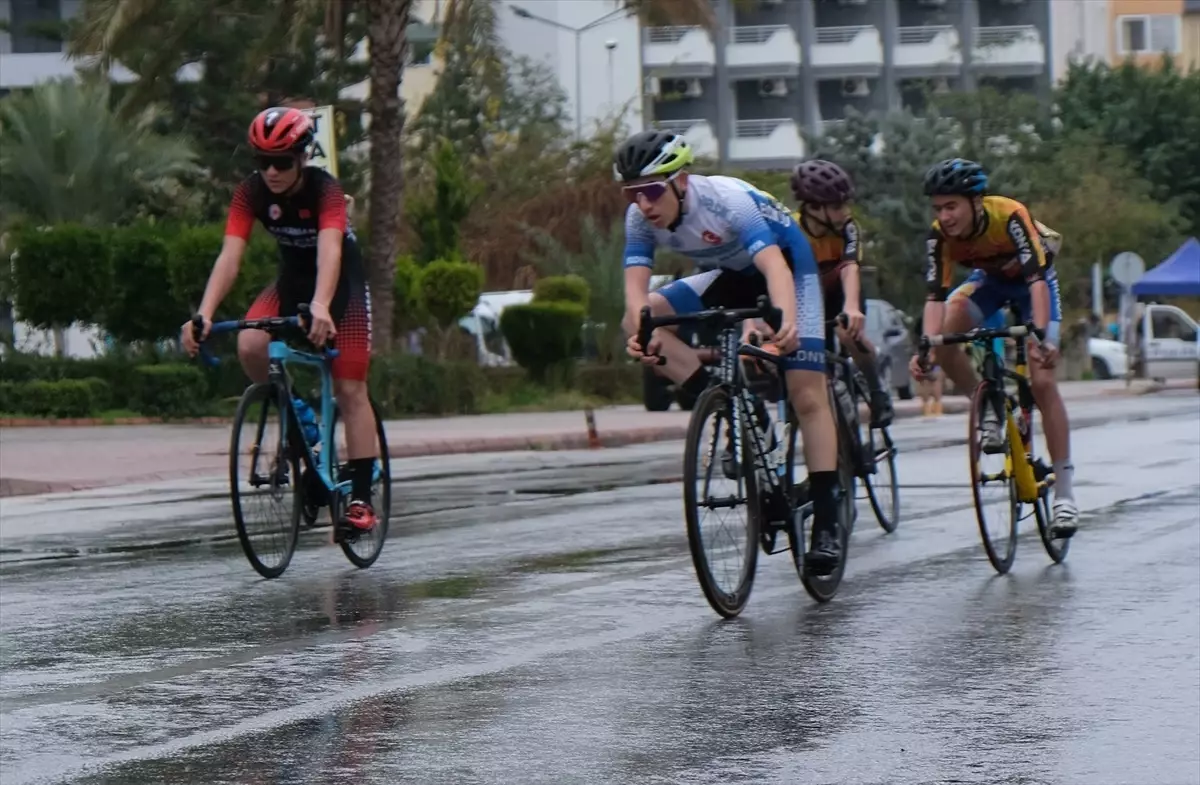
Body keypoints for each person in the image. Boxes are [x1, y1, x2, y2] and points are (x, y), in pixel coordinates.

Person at [615, 130, 844, 575]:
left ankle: (828, 521)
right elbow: (635, 292)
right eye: (632, 193)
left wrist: (785, 321)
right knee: (636, 320)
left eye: (651, 191)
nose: (643, 204)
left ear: (681, 181)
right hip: (730, 274)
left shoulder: (727, 200)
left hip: (788, 268)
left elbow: (776, 266)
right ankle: (726, 402)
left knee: (806, 393)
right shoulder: (639, 218)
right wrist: (642, 331)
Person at [180, 107, 379, 531]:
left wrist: (322, 305)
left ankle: (361, 498)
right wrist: (204, 313)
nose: (271, 171)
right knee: (250, 345)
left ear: (304, 156)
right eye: (262, 161)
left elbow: (331, 251)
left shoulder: (325, 191)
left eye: (282, 162)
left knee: (348, 386)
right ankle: (302, 420)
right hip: (291, 283)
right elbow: (230, 256)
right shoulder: (250, 193)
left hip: (340, 286)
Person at [909, 158, 1078, 537]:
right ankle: (985, 403)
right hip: (991, 284)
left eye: (951, 206)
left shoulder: (1009, 215)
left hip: (1035, 285)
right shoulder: (940, 235)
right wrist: (926, 349)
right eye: (938, 208)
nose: (945, 216)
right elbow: (934, 297)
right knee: (946, 332)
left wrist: (1041, 338)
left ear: (976, 201)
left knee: (1044, 381)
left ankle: (1065, 495)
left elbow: (1036, 280)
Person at [789, 159, 894, 427]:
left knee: (848, 333)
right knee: (810, 360)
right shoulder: (791, 231)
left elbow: (849, 268)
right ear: (813, 207)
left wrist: (851, 307)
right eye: (837, 206)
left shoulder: (848, 227)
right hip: (809, 299)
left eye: (846, 204)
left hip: (841, 291)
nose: (846, 212)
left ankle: (877, 389)